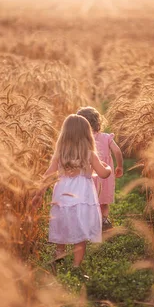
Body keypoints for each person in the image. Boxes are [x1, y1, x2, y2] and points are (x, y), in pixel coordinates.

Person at [33, 114, 111, 269]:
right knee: (80, 231)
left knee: (61, 224)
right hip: (83, 196)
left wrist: (39, 192)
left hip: (62, 195)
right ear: (86, 134)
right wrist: (108, 167)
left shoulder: (60, 154)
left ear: (65, 133)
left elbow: (48, 174)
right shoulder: (89, 154)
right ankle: (76, 265)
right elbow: (103, 173)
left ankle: (59, 255)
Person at [76, 106, 123, 230]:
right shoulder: (106, 137)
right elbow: (117, 151)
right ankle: (104, 220)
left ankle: (88, 222)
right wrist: (120, 166)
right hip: (105, 173)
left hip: (89, 173)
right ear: (98, 123)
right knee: (104, 200)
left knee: (88, 198)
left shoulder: (81, 139)